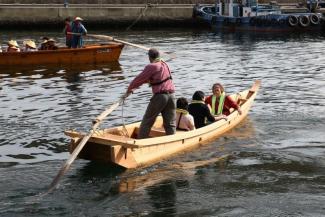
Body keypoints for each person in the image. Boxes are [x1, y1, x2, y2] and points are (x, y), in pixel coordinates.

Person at [126, 48, 176, 139]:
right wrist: (135, 87)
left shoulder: (152, 66)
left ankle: (141, 141)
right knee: (170, 123)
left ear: (149, 57)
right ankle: (173, 140)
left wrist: (129, 89)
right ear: (158, 56)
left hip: (160, 97)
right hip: (171, 96)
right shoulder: (164, 64)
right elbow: (156, 79)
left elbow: (139, 79)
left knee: (147, 122)